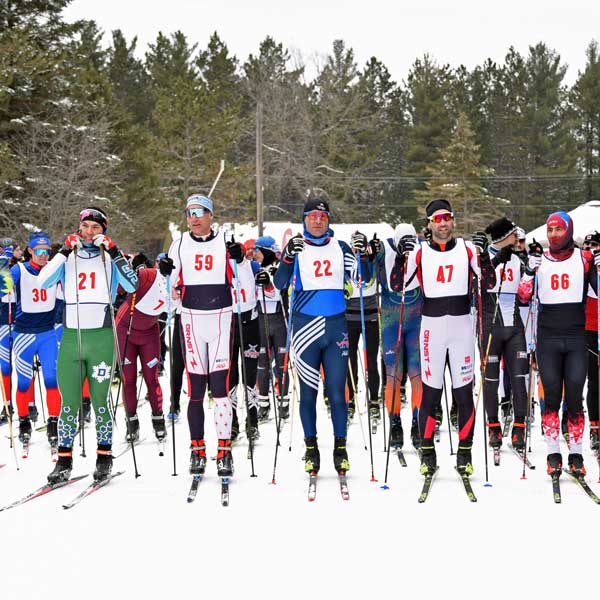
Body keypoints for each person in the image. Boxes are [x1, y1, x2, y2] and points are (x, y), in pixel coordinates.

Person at [391, 199, 496, 477]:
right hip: (432, 329)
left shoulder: (467, 250)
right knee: (431, 394)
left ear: (453, 220)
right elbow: (397, 284)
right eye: (437, 219)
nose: (443, 223)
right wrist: (402, 256)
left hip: (461, 326)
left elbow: (489, 283)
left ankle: (465, 453)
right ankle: (427, 452)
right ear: (429, 224)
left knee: (463, 394)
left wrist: (484, 255)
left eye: (447, 217)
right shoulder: (420, 253)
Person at [38, 207, 138, 483]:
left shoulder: (110, 258)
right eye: (86, 227)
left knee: (99, 401)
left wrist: (116, 252)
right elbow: (42, 281)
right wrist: (62, 252)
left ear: (103, 231)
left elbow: (133, 286)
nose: (90, 233)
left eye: (96, 227)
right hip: (72, 338)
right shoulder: (68, 257)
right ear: (79, 228)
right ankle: (64, 460)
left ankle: (104, 455)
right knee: (68, 402)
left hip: (101, 339)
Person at [273, 197, 370, 475]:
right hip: (305, 331)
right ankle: (311, 449)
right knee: (308, 394)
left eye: (323, 215)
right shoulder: (297, 247)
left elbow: (365, 277)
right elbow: (279, 284)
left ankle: (340, 448)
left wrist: (364, 254)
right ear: (304, 219)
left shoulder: (340, 248)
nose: (317, 220)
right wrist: (287, 257)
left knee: (338, 393)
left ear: (329, 220)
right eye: (312, 215)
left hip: (336, 328)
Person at [518, 211, 599, 477]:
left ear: (568, 230)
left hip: (577, 337)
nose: (553, 234)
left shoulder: (584, 258)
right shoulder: (540, 261)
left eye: (558, 229)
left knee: (575, 397)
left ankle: (576, 454)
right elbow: (523, 296)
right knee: (551, 396)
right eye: (550, 230)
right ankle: (553, 453)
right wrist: (529, 270)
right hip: (548, 338)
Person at [166, 194, 241, 478]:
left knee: (220, 388)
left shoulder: (225, 243)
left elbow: (241, 284)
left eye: (200, 212)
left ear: (211, 215)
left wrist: (240, 262)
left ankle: (224, 451)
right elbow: (169, 289)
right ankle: (197, 451)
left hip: (221, 318)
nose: (194, 218)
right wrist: (166, 276)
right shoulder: (180, 244)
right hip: (192, 320)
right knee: (196, 389)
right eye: (189, 213)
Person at [1, 231, 63, 451]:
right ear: (30, 251)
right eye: (39, 251)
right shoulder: (20, 269)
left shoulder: (54, 270)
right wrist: (3, 265)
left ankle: (54, 424)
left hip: (47, 334)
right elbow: (3, 288)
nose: (44, 255)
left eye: (47, 251)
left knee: (52, 380)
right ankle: (25, 422)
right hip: (23, 335)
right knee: (24, 382)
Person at [480, 217, 529, 452]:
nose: (516, 238)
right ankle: (494, 427)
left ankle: (519, 428)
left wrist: (530, 271)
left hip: (515, 329)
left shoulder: (517, 259)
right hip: (490, 327)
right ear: (503, 237)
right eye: (513, 234)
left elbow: (525, 294)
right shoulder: (484, 258)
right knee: (491, 380)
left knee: (520, 377)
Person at [115, 253, 169, 443]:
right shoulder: (145, 275)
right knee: (128, 379)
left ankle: (158, 420)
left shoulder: (168, 281)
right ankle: (131, 422)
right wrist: (129, 271)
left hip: (149, 333)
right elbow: (120, 289)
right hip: (125, 330)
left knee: (151, 378)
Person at [377, 223, 423, 450]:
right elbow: (364, 278)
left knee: (417, 373)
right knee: (392, 374)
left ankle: (417, 421)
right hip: (390, 320)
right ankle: (395, 422)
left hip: (416, 319)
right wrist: (366, 254)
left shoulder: (422, 248)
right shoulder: (384, 250)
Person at [345, 234, 380, 427]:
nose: (357, 248)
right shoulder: (347, 260)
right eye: (354, 245)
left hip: (370, 316)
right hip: (349, 316)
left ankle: (374, 398)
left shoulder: (371, 260)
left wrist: (369, 254)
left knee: (371, 361)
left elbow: (370, 276)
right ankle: (350, 398)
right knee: (350, 361)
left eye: (360, 245)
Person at [228, 235, 260, 442]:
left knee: (250, 375)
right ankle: (232, 424)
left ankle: (253, 422)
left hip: (250, 325)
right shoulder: (223, 268)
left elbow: (271, 290)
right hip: (229, 325)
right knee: (230, 377)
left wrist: (266, 284)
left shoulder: (253, 266)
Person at [254, 236, 288, 425]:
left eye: (257, 250)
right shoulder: (255, 269)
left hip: (279, 320)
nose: (255, 254)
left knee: (281, 364)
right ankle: (263, 404)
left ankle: (283, 402)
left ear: (266, 251)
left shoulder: (278, 269)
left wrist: (267, 283)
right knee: (262, 363)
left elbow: (277, 293)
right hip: (261, 319)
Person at [583, 231, 600, 451]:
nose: (590, 249)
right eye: (587, 246)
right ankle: (594, 428)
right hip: (588, 330)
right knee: (594, 382)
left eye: (594, 245)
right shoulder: (583, 268)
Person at [0, 238, 16, 422]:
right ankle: (7, 405)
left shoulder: (16, 270)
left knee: (15, 367)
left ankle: (29, 406)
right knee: (4, 366)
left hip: (13, 323)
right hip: (4, 323)